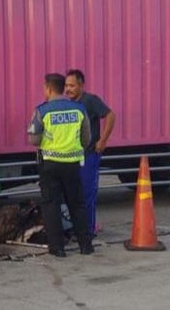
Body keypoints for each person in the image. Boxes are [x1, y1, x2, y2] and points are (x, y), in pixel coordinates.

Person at [27, 73, 94, 257]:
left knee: (51, 205)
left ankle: (57, 248)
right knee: (77, 204)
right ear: (63, 88)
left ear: (48, 89)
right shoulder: (79, 109)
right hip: (72, 164)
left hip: (50, 164)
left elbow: (33, 139)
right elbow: (87, 138)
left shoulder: (42, 111)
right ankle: (85, 245)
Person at [65, 69, 116, 236]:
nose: (68, 89)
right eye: (66, 86)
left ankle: (89, 229)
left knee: (87, 193)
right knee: (74, 194)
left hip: (89, 155)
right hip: (73, 156)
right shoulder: (70, 105)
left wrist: (103, 140)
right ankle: (78, 226)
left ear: (81, 85)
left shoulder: (90, 100)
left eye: (72, 85)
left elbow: (110, 115)